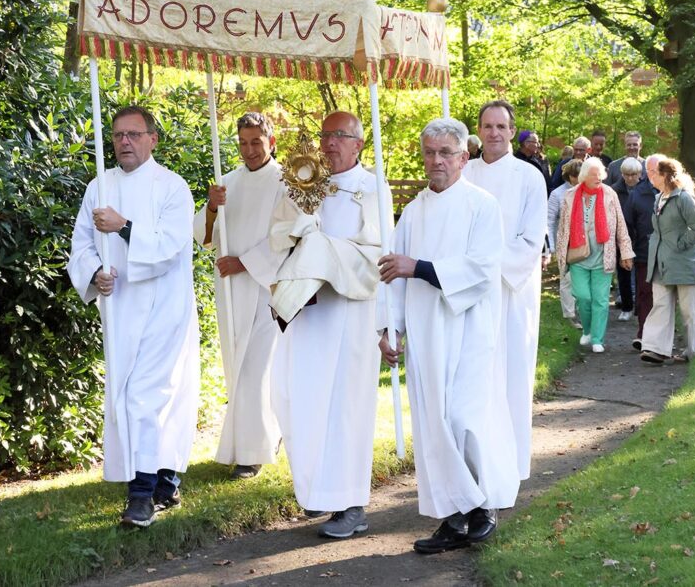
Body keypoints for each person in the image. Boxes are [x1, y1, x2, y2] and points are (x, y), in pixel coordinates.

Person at [377, 117, 520, 554]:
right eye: (430, 152)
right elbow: (391, 272)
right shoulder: (414, 211)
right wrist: (389, 328)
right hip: (423, 328)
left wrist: (417, 266)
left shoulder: (481, 205)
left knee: (464, 418)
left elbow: (480, 269)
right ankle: (452, 518)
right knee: (432, 423)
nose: (436, 161)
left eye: (445, 153)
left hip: (469, 327)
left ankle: (482, 506)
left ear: (463, 157)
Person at [67, 105, 199, 528]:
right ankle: (163, 478)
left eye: (134, 134)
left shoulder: (173, 187)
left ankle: (141, 494)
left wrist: (124, 227)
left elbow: (170, 246)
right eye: (119, 135)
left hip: (164, 306)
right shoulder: (99, 186)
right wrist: (94, 274)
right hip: (121, 307)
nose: (125, 142)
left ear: (153, 139)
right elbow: (81, 244)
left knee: (148, 393)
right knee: (129, 395)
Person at [268, 111, 383, 540]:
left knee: (346, 407)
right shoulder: (302, 182)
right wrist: (300, 234)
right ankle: (318, 489)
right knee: (296, 396)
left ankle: (352, 503)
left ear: (358, 143)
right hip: (308, 312)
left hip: (349, 313)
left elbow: (377, 254)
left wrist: (322, 252)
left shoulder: (374, 190)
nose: (330, 143)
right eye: (326, 136)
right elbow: (276, 237)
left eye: (340, 136)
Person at [193, 112, 287, 480]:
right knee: (237, 368)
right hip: (230, 289)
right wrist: (214, 206)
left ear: (271, 142)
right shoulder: (226, 183)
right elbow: (203, 235)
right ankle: (255, 439)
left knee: (257, 368)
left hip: (265, 286)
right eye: (243, 142)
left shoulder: (284, 182)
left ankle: (253, 452)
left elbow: (288, 235)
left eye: (256, 143)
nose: (249, 150)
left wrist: (245, 262)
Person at [463, 100, 547, 481]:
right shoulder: (465, 174)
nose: (494, 133)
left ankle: (512, 465)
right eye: (487, 126)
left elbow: (530, 241)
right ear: (478, 131)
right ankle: (476, 463)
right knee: (475, 376)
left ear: (513, 131)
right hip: (471, 293)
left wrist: (483, 263)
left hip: (512, 293)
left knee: (512, 373)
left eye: (501, 126)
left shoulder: (529, 177)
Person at [555, 157, 633, 353]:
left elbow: (620, 226)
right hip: (578, 257)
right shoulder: (571, 196)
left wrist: (625, 252)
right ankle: (587, 330)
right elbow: (563, 230)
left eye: (600, 175)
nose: (598, 178)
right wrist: (560, 257)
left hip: (602, 256)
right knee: (583, 297)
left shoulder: (609, 194)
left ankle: (597, 338)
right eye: (594, 175)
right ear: (584, 177)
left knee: (600, 300)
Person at [640, 157, 695, 364]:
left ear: (666, 175)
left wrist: (679, 244)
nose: (650, 176)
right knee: (660, 305)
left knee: (688, 309)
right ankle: (655, 349)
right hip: (660, 262)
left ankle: (691, 350)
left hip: (684, 262)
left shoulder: (684, 198)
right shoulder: (658, 197)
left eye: (655, 173)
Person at [626, 155, 661, 349]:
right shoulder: (637, 194)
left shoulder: (674, 190)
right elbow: (627, 225)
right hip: (644, 252)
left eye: (658, 169)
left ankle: (660, 336)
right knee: (644, 293)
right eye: (652, 170)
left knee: (664, 296)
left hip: (668, 254)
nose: (655, 173)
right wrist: (627, 252)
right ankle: (643, 334)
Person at [547, 159, 583, 327]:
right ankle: (570, 315)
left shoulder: (588, 192)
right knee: (567, 279)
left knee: (584, 278)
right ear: (569, 176)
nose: (579, 179)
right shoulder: (557, 194)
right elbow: (549, 220)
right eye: (576, 176)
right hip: (565, 243)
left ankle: (583, 310)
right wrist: (551, 246)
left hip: (584, 242)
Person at [612, 157, 643, 323]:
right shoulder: (614, 190)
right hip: (621, 236)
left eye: (633, 174)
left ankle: (640, 306)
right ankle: (626, 306)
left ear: (639, 173)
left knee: (641, 272)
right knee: (623, 273)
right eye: (626, 174)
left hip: (641, 235)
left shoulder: (646, 188)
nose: (630, 178)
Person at [515, 129, 551, 196]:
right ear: (526, 144)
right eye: (536, 142)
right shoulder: (515, 162)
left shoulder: (541, 160)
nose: (538, 145)